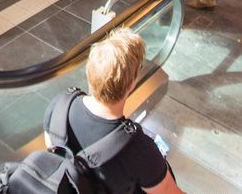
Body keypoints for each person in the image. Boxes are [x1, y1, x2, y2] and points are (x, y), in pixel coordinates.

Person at [40, 28, 182, 194]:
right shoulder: (139, 150)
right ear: (131, 85)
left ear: (89, 72)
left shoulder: (59, 106)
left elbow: (53, 155)